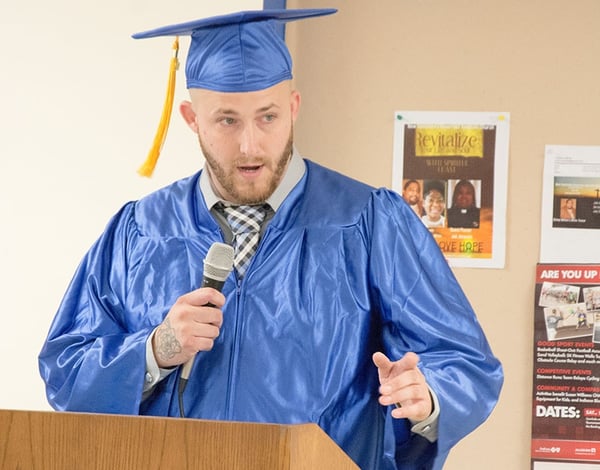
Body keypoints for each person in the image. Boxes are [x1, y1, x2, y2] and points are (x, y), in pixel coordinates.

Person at [38, 9, 503, 470]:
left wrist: (428, 396)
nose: (250, 146)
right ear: (191, 119)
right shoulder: (139, 231)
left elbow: (465, 362)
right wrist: (155, 350)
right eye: (227, 121)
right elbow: (65, 367)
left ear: (294, 108)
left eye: (268, 117)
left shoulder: (369, 222)